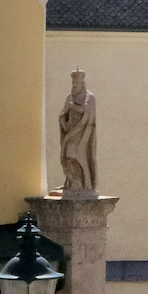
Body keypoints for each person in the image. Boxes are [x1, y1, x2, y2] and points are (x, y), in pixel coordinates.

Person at [58, 67, 98, 197]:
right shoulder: (70, 97)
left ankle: (81, 183)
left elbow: (86, 111)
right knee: (67, 157)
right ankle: (71, 181)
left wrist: (73, 106)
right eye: (73, 83)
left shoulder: (89, 96)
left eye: (77, 83)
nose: (74, 85)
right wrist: (63, 123)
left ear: (82, 84)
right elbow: (63, 114)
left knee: (74, 154)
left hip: (82, 133)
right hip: (70, 132)